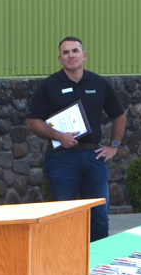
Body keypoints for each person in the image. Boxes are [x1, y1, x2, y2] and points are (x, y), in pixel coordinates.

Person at [27, 37, 126, 241]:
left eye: (75, 51)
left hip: (94, 157)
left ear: (84, 55)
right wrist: (58, 136)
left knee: (99, 218)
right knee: (63, 218)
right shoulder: (48, 86)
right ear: (59, 59)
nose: (71, 55)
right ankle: (65, 260)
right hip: (62, 159)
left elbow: (119, 115)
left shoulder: (99, 83)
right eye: (65, 52)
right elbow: (32, 121)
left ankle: (98, 259)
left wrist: (114, 145)